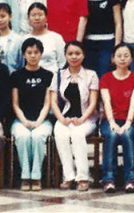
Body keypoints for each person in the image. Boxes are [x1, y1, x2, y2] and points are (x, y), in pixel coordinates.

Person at [50, 42, 97, 192]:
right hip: (65, 117)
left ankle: (83, 177)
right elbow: (53, 102)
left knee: (77, 135)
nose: (74, 57)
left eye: (77, 53)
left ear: (83, 55)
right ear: (65, 56)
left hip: (86, 118)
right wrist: (61, 119)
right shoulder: (58, 75)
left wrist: (82, 119)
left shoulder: (91, 75)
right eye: (70, 54)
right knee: (60, 133)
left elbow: (93, 102)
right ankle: (68, 176)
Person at [9, 37, 54, 191]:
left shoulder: (48, 75)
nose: (33, 55)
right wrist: (24, 121)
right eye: (29, 52)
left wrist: (39, 121)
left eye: (36, 52)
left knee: (37, 137)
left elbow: (47, 103)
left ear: (41, 54)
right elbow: (15, 104)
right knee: (23, 137)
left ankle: (36, 177)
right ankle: (24, 176)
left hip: (43, 120)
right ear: (24, 55)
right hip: (20, 120)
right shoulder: (16, 75)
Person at [97, 44, 134, 193]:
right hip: (110, 119)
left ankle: (131, 180)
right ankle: (109, 179)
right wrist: (112, 122)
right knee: (111, 135)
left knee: (128, 135)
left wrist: (128, 123)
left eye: (126, 56)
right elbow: (106, 102)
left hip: (131, 119)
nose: (122, 59)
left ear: (131, 59)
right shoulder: (106, 78)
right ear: (113, 59)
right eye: (119, 56)